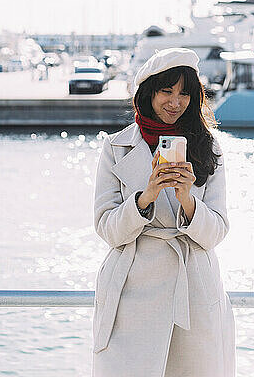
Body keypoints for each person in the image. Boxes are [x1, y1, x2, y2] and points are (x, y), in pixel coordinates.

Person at [92, 47, 236, 377]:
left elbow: (218, 231)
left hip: (193, 287)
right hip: (131, 290)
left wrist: (187, 200)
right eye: (166, 91)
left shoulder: (208, 146)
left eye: (185, 94)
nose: (175, 102)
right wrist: (146, 197)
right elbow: (106, 229)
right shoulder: (116, 146)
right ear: (147, 92)